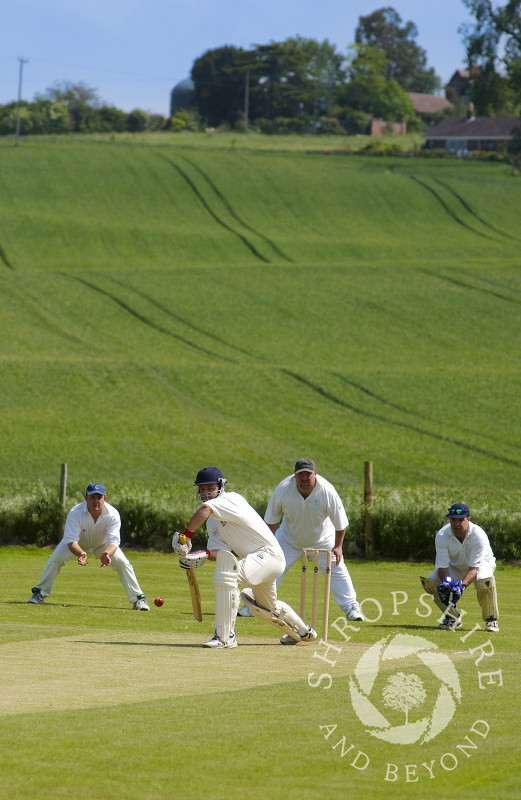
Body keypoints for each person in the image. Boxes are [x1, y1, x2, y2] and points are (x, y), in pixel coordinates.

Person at [171, 466, 317, 648]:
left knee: (227, 576)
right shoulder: (212, 524)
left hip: (269, 555)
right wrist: (200, 555)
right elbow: (223, 555)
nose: (207, 493)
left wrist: (187, 535)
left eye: (210, 488)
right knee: (266, 608)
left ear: (220, 487)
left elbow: (205, 508)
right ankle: (304, 631)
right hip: (258, 562)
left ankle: (225, 637)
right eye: (202, 489)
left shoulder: (230, 499)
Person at [256, 458, 363, 623]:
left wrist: (338, 546)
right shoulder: (283, 488)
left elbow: (341, 522)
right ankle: (257, 604)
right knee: (271, 568)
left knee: (337, 568)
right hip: (288, 539)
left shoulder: (327, 490)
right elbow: (270, 520)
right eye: (301, 475)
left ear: (315, 474)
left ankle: (351, 608)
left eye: (308, 474)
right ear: (295, 476)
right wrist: (269, 546)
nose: (304, 478)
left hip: (322, 540)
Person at [27, 482, 150, 610]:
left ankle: (138, 599)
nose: (96, 501)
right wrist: (80, 553)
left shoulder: (113, 514)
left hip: (102, 546)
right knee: (55, 558)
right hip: (76, 544)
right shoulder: (75, 512)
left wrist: (107, 553)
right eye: (92, 497)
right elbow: (71, 541)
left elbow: (113, 542)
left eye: (99, 497)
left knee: (123, 563)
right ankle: (39, 594)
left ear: (105, 498)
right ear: (86, 498)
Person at [420, 502, 498, 632]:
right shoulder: (442, 535)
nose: (456, 524)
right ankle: (452, 617)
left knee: (484, 579)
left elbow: (473, 569)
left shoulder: (478, 535)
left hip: (482, 564)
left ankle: (491, 620)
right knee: (432, 580)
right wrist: (447, 583)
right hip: (455, 566)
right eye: (453, 520)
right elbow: (442, 567)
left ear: (468, 519)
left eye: (460, 520)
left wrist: (461, 587)